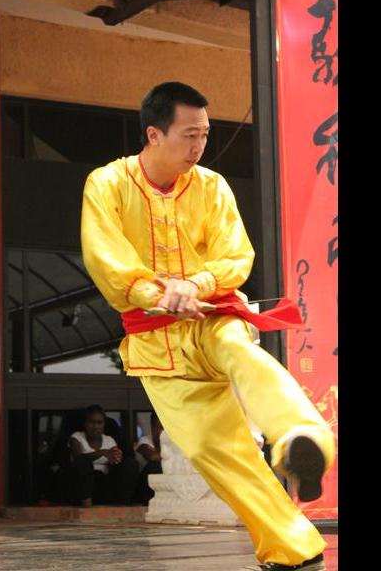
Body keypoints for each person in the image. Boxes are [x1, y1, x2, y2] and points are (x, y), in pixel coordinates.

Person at [80, 82, 335, 570]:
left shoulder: (212, 185)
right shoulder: (107, 185)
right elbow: (107, 260)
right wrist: (159, 294)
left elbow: (235, 256)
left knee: (244, 356)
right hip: (155, 340)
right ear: (154, 134)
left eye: (204, 133)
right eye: (189, 134)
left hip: (212, 317)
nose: (199, 145)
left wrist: (193, 284)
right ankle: (294, 550)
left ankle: (303, 442)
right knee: (217, 451)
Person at [64, 405, 139, 507]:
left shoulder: (109, 440)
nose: (95, 426)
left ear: (104, 424)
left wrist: (117, 457)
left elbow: (115, 461)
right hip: (84, 485)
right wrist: (102, 452)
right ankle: (87, 506)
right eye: (92, 422)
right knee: (82, 462)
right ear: (85, 423)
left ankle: (122, 504)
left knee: (130, 464)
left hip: (104, 484)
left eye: (99, 423)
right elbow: (78, 458)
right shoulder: (76, 437)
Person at [133, 413, 163, 505]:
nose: (161, 431)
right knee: (155, 466)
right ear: (152, 426)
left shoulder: (171, 441)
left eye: (163, 428)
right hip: (143, 487)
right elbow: (152, 456)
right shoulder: (145, 440)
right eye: (158, 427)